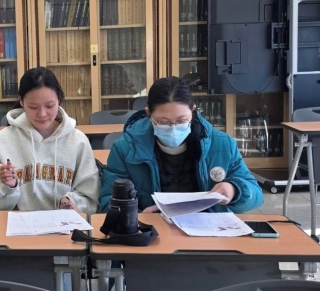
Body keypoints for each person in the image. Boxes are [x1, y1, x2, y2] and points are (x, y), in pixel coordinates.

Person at [101, 76, 263, 213]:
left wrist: (234, 190)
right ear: (148, 113)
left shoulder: (221, 144)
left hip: (208, 231)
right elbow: (108, 201)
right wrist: (136, 217)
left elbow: (255, 194)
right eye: (163, 122)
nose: (173, 128)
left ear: (193, 110)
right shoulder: (126, 149)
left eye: (181, 121)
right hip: (152, 231)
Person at [0, 66, 100, 214]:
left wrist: (72, 202)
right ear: (22, 102)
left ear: (59, 100)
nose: (42, 114)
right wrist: (7, 187)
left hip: (64, 225)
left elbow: (90, 198)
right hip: (16, 225)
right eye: (33, 107)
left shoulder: (78, 141)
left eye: (49, 106)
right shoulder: (2, 140)